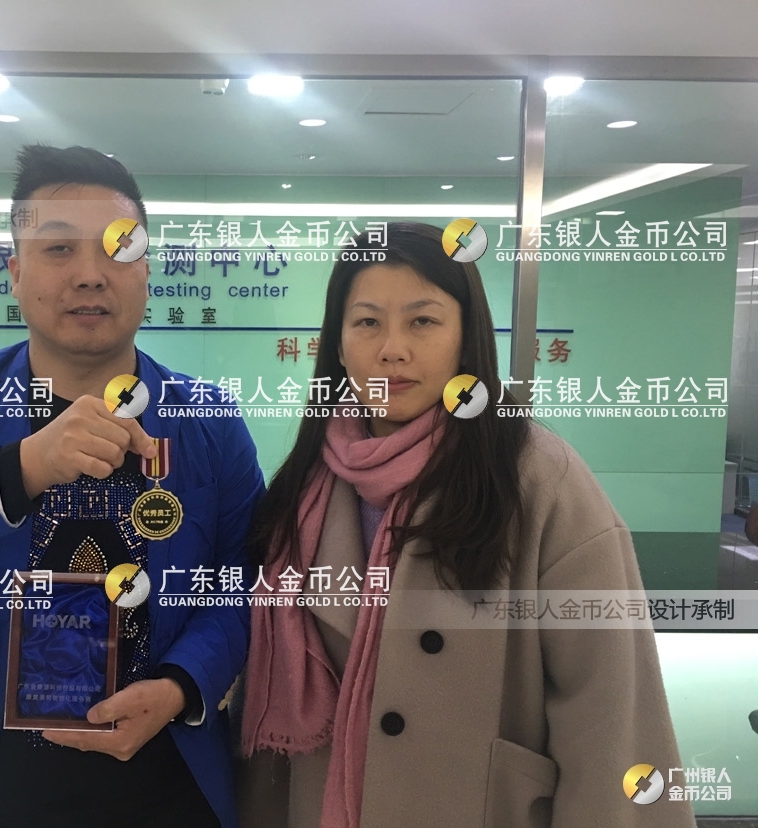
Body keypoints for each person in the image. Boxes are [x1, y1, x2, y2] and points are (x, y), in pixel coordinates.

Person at [0, 145, 264, 828]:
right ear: (16, 272)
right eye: (58, 249)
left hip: (167, 777)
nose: (90, 274)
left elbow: (247, 583)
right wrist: (20, 469)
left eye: (118, 249)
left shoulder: (208, 420)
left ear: (147, 270)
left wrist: (181, 685)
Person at [236, 223, 695, 828]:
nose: (392, 349)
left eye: (423, 321)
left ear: (466, 337)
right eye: (367, 321)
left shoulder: (539, 480)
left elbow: (610, 713)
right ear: (338, 345)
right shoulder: (306, 484)